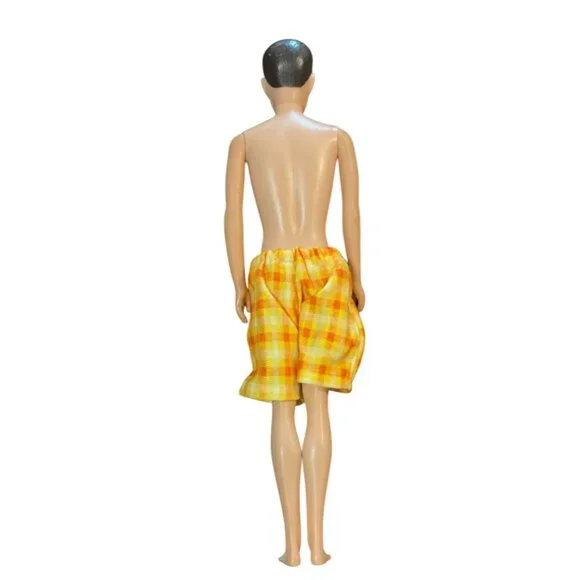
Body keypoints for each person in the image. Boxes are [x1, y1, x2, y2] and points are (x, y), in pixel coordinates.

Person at [224, 38, 366, 566]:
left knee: (283, 405)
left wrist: (238, 282)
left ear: (266, 86)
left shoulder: (244, 141)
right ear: (310, 83)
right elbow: (352, 213)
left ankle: (291, 548)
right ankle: (319, 547)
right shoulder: (336, 137)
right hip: (327, 269)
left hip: (270, 272)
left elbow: (232, 216)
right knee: (319, 404)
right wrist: (358, 275)